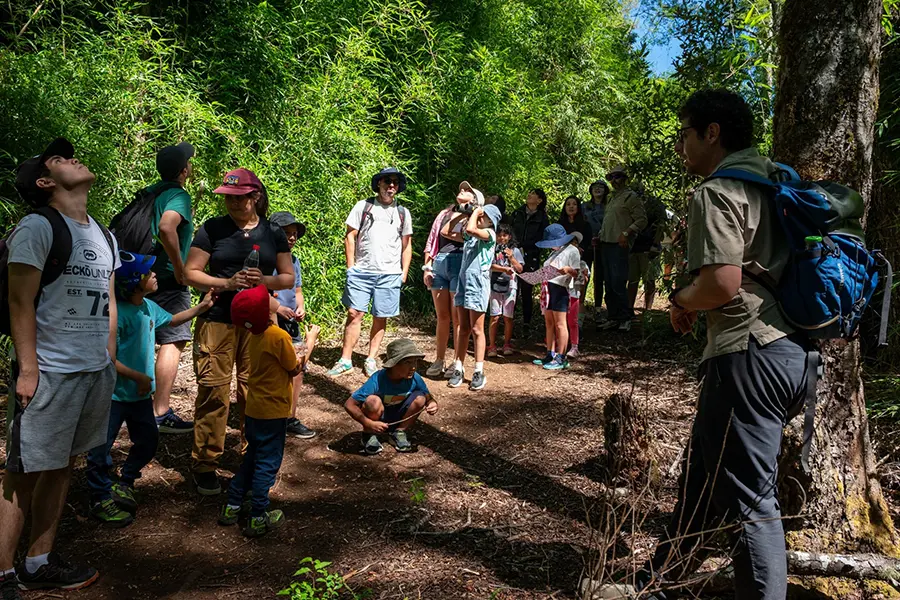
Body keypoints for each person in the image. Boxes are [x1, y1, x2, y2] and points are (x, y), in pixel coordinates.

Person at [603, 89, 808, 600]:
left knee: (750, 499)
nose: (679, 146)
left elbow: (721, 284)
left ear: (711, 133)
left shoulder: (718, 191)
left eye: (684, 133)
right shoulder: (778, 178)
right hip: (797, 352)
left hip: (750, 351)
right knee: (703, 473)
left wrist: (681, 297)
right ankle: (662, 582)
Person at [0, 137, 120, 597]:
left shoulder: (104, 235)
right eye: (58, 159)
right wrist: (28, 369)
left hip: (92, 371)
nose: (71, 157)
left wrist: (108, 358)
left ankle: (38, 561)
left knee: (61, 464)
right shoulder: (37, 226)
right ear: (46, 182)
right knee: (23, 469)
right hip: (48, 370)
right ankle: (3, 571)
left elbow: (108, 303)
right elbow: (19, 300)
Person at [183, 168, 294, 496]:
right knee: (214, 391)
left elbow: (287, 277)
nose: (232, 203)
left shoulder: (273, 232)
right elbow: (189, 273)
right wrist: (226, 283)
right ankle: (204, 462)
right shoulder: (213, 229)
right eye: (228, 198)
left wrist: (265, 281)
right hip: (218, 319)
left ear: (254, 197)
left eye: (239, 197)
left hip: (260, 323)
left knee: (254, 391)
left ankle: (253, 458)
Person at [86, 252, 213, 528]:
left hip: (140, 397)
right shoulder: (118, 315)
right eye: (149, 273)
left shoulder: (147, 306)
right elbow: (108, 358)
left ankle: (126, 480)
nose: (155, 275)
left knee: (148, 441)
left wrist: (200, 308)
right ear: (134, 282)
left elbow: (173, 320)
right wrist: (138, 377)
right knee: (100, 448)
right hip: (114, 396)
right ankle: (99, 495)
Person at [218, 285, 300, 537]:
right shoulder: (278, 336)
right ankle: (258, 515)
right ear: (265, 311)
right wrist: (310, 345)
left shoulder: (254, 335)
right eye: (268, 299)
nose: (273, 297)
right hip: (272, 412)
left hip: (254, 410)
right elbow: (293, 368)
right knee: (267, 464)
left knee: (252, 458)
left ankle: (232, 505)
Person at [327, 168, 413, 378]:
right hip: (362, 272)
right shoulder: (364, 206)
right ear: (378, 184)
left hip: (390, 273)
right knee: (354, 314)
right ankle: (345, 360)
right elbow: (350, 236)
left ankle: (371, 358)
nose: (391, 185)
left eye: (395, 182)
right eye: (387, 181)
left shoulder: (403, 212)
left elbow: (407, 244)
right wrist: (351, 267)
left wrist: (403, 272)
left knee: (380, 316)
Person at [148, 142, 197, 434]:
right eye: (189, 162)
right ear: (183, 170)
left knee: (141, 338)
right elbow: (167, 228)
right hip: (166, 276)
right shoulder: (178, 195)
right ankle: (160, 411)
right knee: (173, 340)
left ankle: (133, 407)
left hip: (140, 273)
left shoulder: (150, 191)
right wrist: (180, 267)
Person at [344, 338, 438, 455]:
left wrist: (432, 403)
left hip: (399, 417)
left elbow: (428, 397)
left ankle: (398, 432)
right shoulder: (377, 379)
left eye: (415, 362)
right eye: (407, 362)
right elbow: (349, 404)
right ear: (394, 364)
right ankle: (369, 435)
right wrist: (368, 423)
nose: (413, 367)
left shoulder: (415, 378)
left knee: (420, 398)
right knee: (372, 401)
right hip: (378, 416)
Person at [269, 211, 317, 440]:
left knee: (298, 368)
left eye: (294, 234)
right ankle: (269, 418)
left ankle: (290, 416)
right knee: (271, 370)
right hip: (269, 323)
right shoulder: (265, 259)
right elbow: (257, 291)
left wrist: (300, 307)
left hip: (291, 324)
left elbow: (297, 290)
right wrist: (277, 308)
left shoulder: (294, 261)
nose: (291, 238)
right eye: (286, 233)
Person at [421, 183, 475, 378]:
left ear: (475, 198)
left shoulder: (476, 216)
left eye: (468, 190)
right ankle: (439, 359)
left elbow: (470, 239)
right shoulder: (444, 213)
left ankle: (457, 361)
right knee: (442, 316)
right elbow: (433, 238)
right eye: (461, 189)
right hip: (440, 262)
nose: (463, 190)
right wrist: (427, 267)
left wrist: (466, 215)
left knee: (458, 317)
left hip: (462, 263)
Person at [446, 203, 502, 390]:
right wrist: (460, 211)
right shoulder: (471, 236)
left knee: (477, 329)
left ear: (490, 221)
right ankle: (458, 367)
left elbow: (471, 228)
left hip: (478, 284)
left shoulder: (490, 234)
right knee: (463, 328)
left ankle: (479, 370)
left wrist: (477, 212)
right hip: (464, 283)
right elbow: (448, 231)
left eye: (483, 216)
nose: (478, 218)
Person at [597, 166, 646, 332]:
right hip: (605, 243)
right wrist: (600, 234)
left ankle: (625, 318)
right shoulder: (611, 198)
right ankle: (613, 316)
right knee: (608, 283)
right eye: (611, 177)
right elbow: (609, 221)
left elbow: (641, 220)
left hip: (619, 245)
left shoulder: (631, 197)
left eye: (617, 177)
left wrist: (626, 233)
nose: (614, 180)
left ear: (624, 178)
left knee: (618, 281)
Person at [531, 224, 580, 370]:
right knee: (549, 322)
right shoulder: (553, 253)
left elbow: (576, 273)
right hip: (548, 288)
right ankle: (549, 353)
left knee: (560, 323)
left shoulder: (572, 250)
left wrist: (567, 270)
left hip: (560, 289)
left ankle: (561, 356)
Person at [510, 189, 550, 335]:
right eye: (529, 193)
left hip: (531, 255)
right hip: (514, 254)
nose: (529, 195)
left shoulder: (542, 217)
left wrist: (526, 246)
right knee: (512, 288)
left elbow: (542, 237)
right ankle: (510, 323)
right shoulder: (517, 212)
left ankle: (526, 325)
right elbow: (510, 231)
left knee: (527, 290)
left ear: (539, 200)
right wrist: (515, 246)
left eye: (533, 194)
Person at [627, 187, 668, 311]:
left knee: (649, 279)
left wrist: (655, 244)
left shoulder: (654, 204)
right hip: (634, 247)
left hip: (649, 247)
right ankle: (629, 309)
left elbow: (661, 224)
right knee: (632, 280)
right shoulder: (629, 204)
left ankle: (648, 310)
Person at [487, 224, 524, 357]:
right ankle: (491, 345)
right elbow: (488, 266)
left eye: (504, 235)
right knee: (494, 316)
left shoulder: (516, 251)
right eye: (499, 235)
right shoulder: (491, 249)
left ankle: (507, 344)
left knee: (508, 316)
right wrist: (503, 269)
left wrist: (511, 257)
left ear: (509, 237)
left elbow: (520, 269)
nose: (502, 238)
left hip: (511, 286)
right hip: (494, 284)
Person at [583, 181, 608, 324]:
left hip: (603, 246)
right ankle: (580, 307)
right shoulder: (584, 206)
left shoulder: (609, 206)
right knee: (584, 276)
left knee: (599, 278)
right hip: (587, 246)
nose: (597, 189)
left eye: (601, 187)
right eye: (595, 187)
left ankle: (598, 309)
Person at [567, 253, 591, 359]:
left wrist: (583, 276)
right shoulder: (562, 260)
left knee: (573, 321)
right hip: (562, 294)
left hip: (573, 294)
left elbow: (582, 283)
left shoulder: (581, 264)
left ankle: (574, 346)